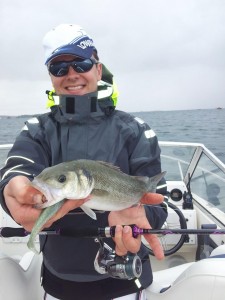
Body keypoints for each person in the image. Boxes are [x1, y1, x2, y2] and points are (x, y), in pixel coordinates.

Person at [0, 24, 167, 300]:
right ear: (51, 76)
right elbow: (19, 166)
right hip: (57, 282)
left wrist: (143, 215)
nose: (71, 74)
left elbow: (156, 204)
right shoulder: (36, 129)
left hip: (126, 281)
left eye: (82, 63)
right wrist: (11, 189)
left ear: (98, 69)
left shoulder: (135, 129)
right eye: (59, 68)